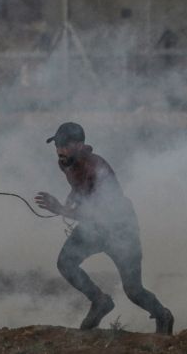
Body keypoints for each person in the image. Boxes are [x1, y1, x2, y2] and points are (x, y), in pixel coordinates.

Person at [34, 122, 174, 335]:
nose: (60, 151)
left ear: (80, 145)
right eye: (57, 145)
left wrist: (62, 210)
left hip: (119, 229)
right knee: (66, 263)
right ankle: (100, 301)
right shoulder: (65, 163)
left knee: (133, 290)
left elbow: (102, 213)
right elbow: (78, 188)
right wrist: (71, 201)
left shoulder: (99, 171)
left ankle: (163, 316)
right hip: (94, 228)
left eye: (65, 145)